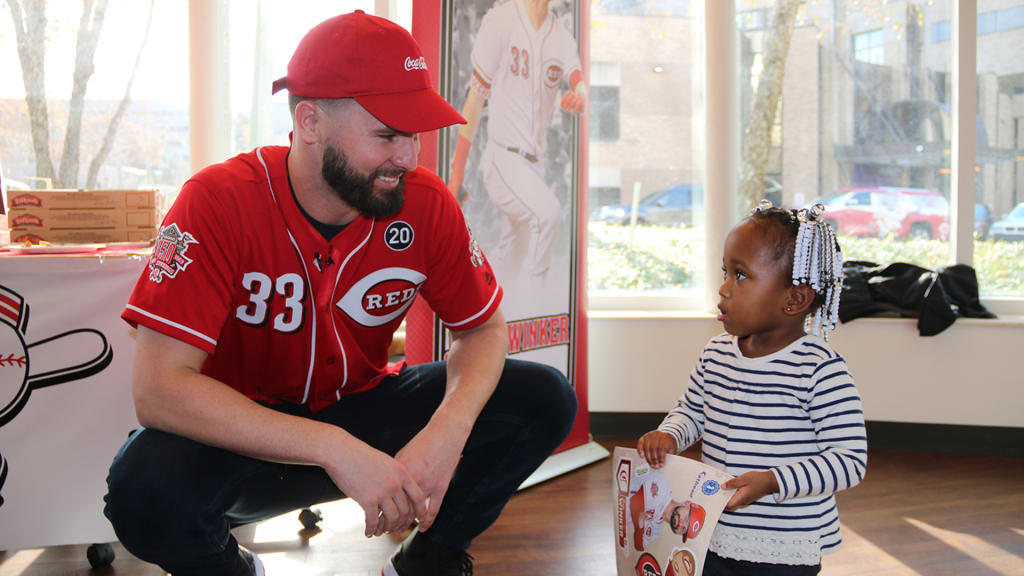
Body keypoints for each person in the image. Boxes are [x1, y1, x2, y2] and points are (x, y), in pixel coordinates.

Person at [102, 11, 577, 576]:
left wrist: (448, 431)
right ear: (309, 122)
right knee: (142, 485)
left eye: (415, 134)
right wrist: (332, 447)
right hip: (245, 439)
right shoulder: (215, 200)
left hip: (362, 406)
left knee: (543, 397)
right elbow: (157, 390)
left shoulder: (425, 202)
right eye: (387, 135)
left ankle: (426, 560)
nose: (408, 157)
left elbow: (483, 328)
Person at [637, 201, 867, 575]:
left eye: (740, 276)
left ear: (794, 299)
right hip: (709, 528)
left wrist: (773, 481)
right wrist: (669, 435)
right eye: (725, 272)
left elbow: (849, 461)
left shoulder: (819, 369)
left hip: (784, 545)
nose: (724, 289)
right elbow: (693, 411)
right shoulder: (715, 353)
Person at [447, 0, 586, 296]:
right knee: (546, 215)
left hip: (535, 166)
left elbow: (576, 76)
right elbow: (474, 100)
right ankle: (532, 302)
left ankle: (475, 296)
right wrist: (457, 173)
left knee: (511, 253)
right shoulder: (501, 19)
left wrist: (580, 91)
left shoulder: (559, 33)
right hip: (503, 157)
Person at [627, 468, 707, 552]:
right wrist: (640, 528)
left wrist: (641, 520)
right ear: (686, 503)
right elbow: (635, 502)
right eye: (686, 518)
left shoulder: (656, 531)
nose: (681, 524)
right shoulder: (663, 486)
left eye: (683, 529)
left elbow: (639, 547)